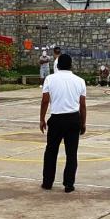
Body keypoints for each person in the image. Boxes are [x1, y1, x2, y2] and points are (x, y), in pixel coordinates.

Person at [39, 54, 87, 193]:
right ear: (71, 65)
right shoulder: (79, 81)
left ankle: (48, 182)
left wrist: (42, 119)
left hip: (56, 119)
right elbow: (82, 105)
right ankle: (68, 184)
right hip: (73, 119)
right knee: (71, 153)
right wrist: (83, 123)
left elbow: (45, 101)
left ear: (57, 65)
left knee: (51, 151)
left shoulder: (50, 79)